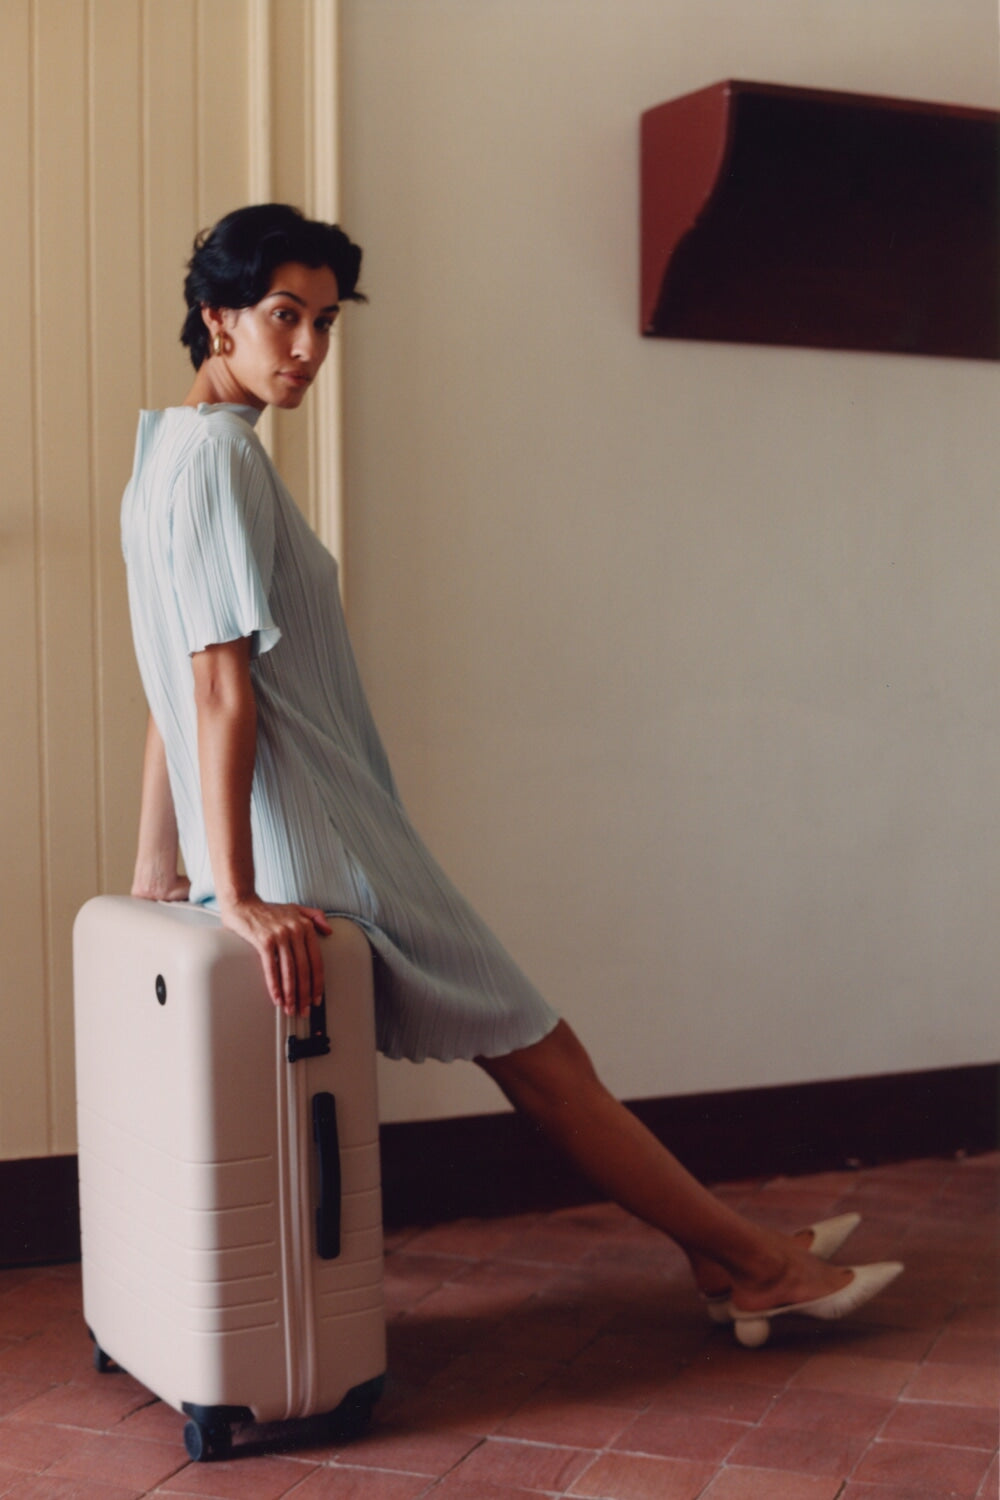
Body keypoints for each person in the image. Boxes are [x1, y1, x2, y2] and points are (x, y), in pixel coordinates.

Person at [123, 203, 901, 1340]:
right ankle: (750, 1268)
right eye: (283, 318)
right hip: (330, 842)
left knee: (544, 1047)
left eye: (325, 323)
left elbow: (170, 679)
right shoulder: (215, 466)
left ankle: (735, 1251)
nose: (306, 351)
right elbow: (212, 689)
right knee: (541, 1060)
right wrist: (230, 890)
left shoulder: (164, 457)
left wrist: (165, 856)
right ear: (217, 317)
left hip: (320, 828)